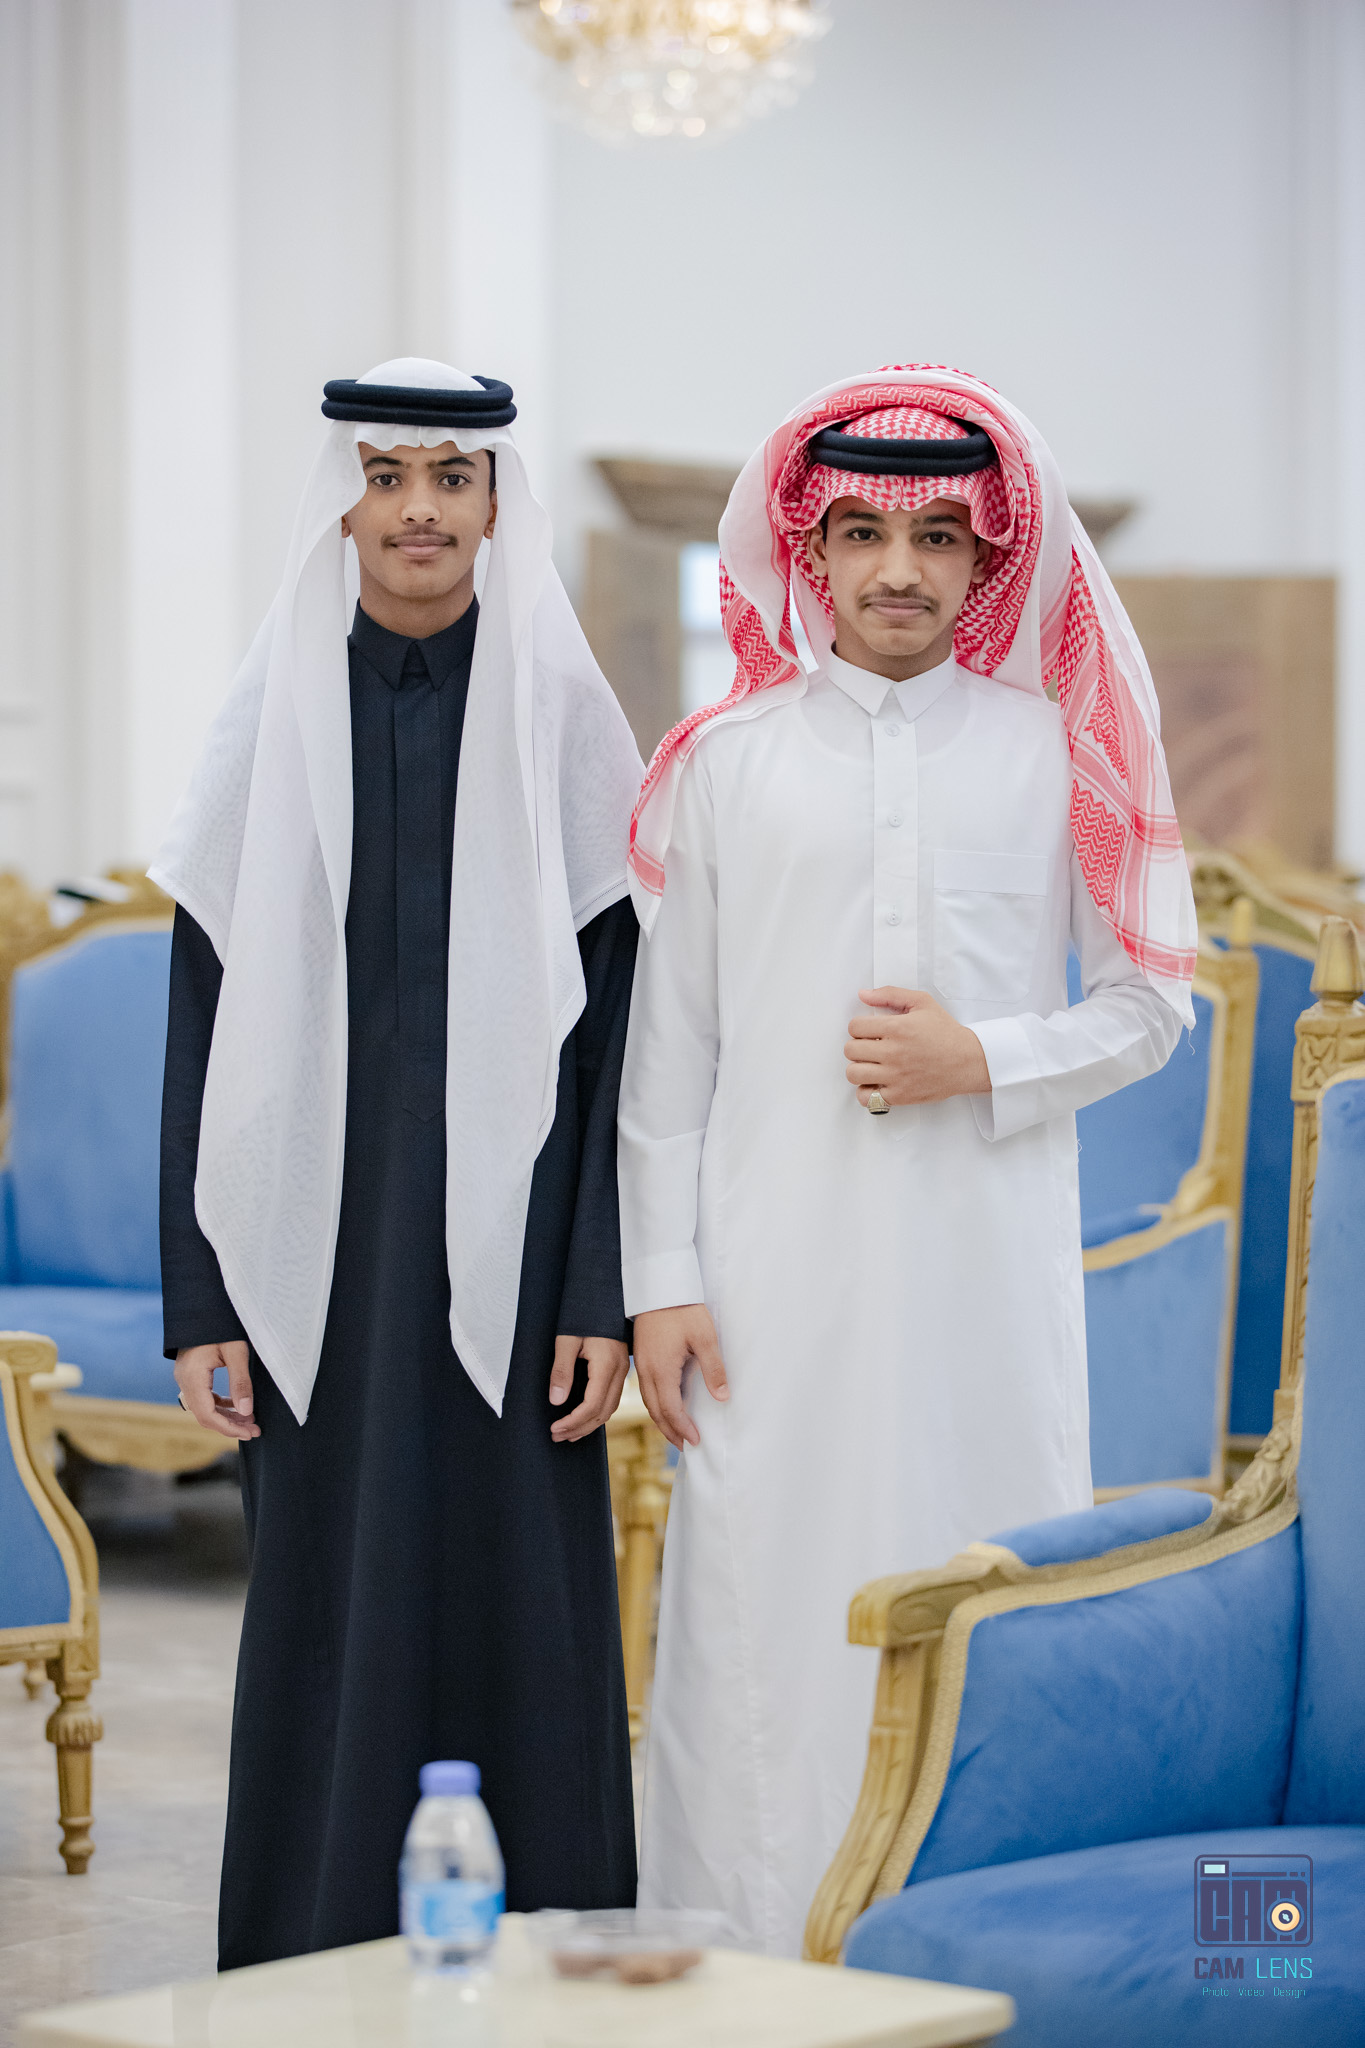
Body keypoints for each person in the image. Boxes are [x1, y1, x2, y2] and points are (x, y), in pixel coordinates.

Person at [618, 364, 1197, 1956]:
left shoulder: (1052, 753)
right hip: (763, 1279)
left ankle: (970, 1945)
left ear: (988, 559)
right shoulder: (725, 760)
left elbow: (1151, 1008)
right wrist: (659, 1281)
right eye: (863, 532)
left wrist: (984, 1058)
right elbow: (667, 1056)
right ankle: (743, 1956)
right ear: (805, 548)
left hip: (981, 1287)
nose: (897, 569)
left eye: (938, 536)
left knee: (984, 1585)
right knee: (757, 1613)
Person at [155, 360, 643, 1967]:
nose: (419, 510)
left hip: (525, 1252)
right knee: (330, 1599)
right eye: (386, 477)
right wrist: (201, 1297)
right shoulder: (267, 724)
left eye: (451, 477)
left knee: (527, 1605)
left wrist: (598, 1288)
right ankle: (308, 1955)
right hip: (321, 1250)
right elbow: (202, 1025)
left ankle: (550, 1958)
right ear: (343, 501)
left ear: (498, 502)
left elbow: (616, 1044)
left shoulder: (565, 724)